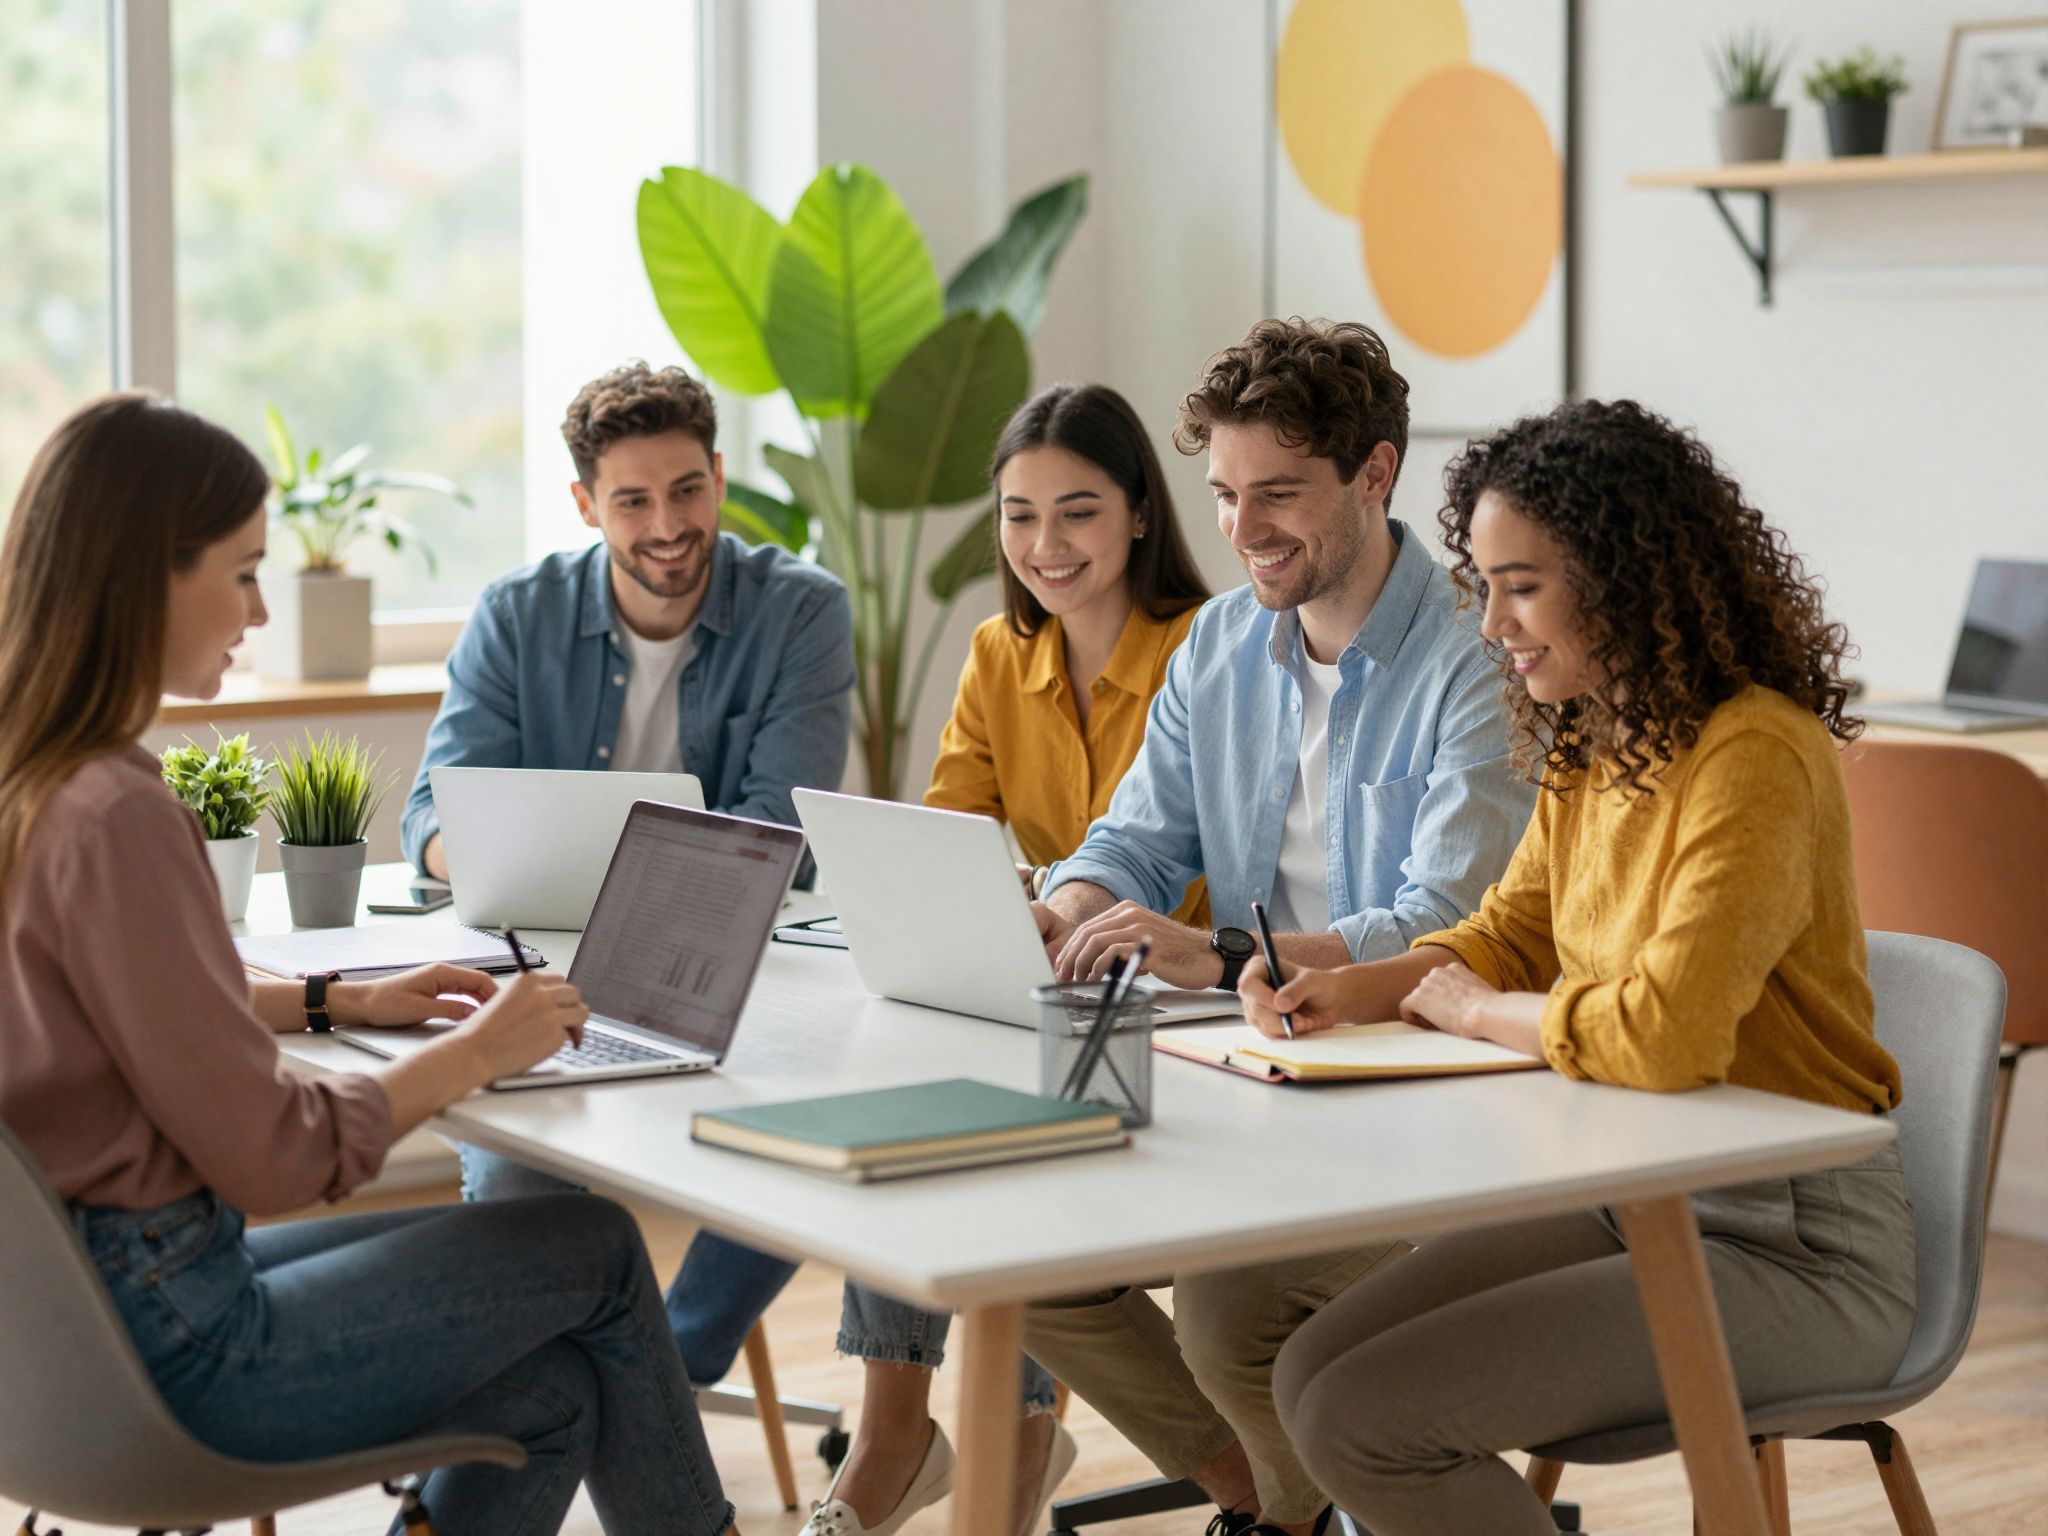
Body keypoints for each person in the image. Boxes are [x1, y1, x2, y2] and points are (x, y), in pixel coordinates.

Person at [0, 394, 742, 1536]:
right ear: (147, 571)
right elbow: (271, 1157)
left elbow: (110, 1013)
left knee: (552, 1391)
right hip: (184, 1341)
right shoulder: (116, 815)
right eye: (243, 572)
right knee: (589, 1245)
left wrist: (331, 999)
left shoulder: (31, 782)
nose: (257, 611)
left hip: (53, 1347)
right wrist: (472, 1052)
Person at [1244, 399, 1914, 1536]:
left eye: (1521, 585)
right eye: (1484, 582)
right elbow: (1506, 931)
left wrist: (1484, 1013)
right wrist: (1349, 990)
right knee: (1308, 1377)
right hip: (1636, 1194)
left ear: (1622, 577)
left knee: (1364, 1417)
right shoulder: (1596, 736)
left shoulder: (1753, 752)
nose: (1491, 619)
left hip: (1792, 1242)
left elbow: (1665, 1037)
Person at [1022, 320, 1537, 1536]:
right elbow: (1137, 839)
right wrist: (1064, 909)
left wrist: (1229, 957)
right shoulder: (1218, 645)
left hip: (1424, 1088)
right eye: (1222, 494)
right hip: (1255, 1067)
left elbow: (1443, 926)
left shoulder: (1479, 653)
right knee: (1017, 1241)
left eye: (1279, 496)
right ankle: (1270, 1499)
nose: (1243, 531)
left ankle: (1297, 1509)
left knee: (1217, 1303)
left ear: (1374, 474)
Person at [778, 382, 1213, 1536]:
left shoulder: (1202, 654)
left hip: (1167, 1010)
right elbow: (947, 829)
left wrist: (1054, 905)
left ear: (1135, 514)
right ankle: (906, 1434)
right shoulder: (993, 654)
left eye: (1075, 512)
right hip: (1035, 987)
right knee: (887, 1092)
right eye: (1018, 516)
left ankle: (973, 1443)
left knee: (968, 1133)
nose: (1044, 546)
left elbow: (1203, 869)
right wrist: (1007, 897)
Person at [403, 360, 856, 1397]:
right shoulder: (517, 614)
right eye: (633, 500)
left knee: (816, 1130)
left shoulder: (800, 612)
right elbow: (430, 814)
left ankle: (665, 1363)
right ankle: (562, 1389)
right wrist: (471, 847)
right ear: (583, 504)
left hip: (735, 966)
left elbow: (773, 825)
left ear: (718, 478)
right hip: (547, 967)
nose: (668, 524)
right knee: (517, 1172)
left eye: (687, 490)